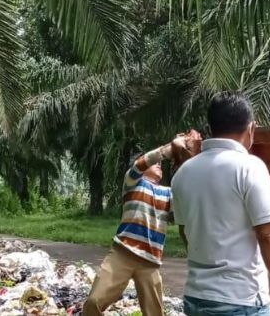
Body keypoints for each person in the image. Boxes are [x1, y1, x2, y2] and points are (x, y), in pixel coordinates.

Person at [172, 92, 270, 316]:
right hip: (241, 301)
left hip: (196, 298)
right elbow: (269, 234)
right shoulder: (249, 167)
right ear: (251, 129)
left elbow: (186, 233)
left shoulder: (183, 174)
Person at [83, 134, 199, 316]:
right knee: (93, 302)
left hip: (150, 261)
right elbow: (140, 164)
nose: (159, 165)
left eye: (161, 164)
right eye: (155, 163)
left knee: (155, 313)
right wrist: (167, 149)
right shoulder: (132, 182)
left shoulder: (169, 194)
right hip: (123, 253)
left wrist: (188, 158)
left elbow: (185, 202)